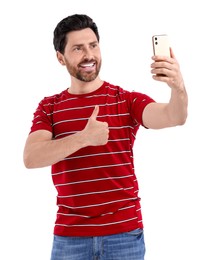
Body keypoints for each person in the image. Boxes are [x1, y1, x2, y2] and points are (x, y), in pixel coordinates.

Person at [23, 14, 188, 260]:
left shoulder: (125, 99)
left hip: (124, 236)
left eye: (93, 45)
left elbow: (173, 116)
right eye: (77, 48)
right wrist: (83, 138)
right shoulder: (50, 107)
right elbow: (31, 157)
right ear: (61, 57)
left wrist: (178, 87)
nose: (89, 55)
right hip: (70, 237)